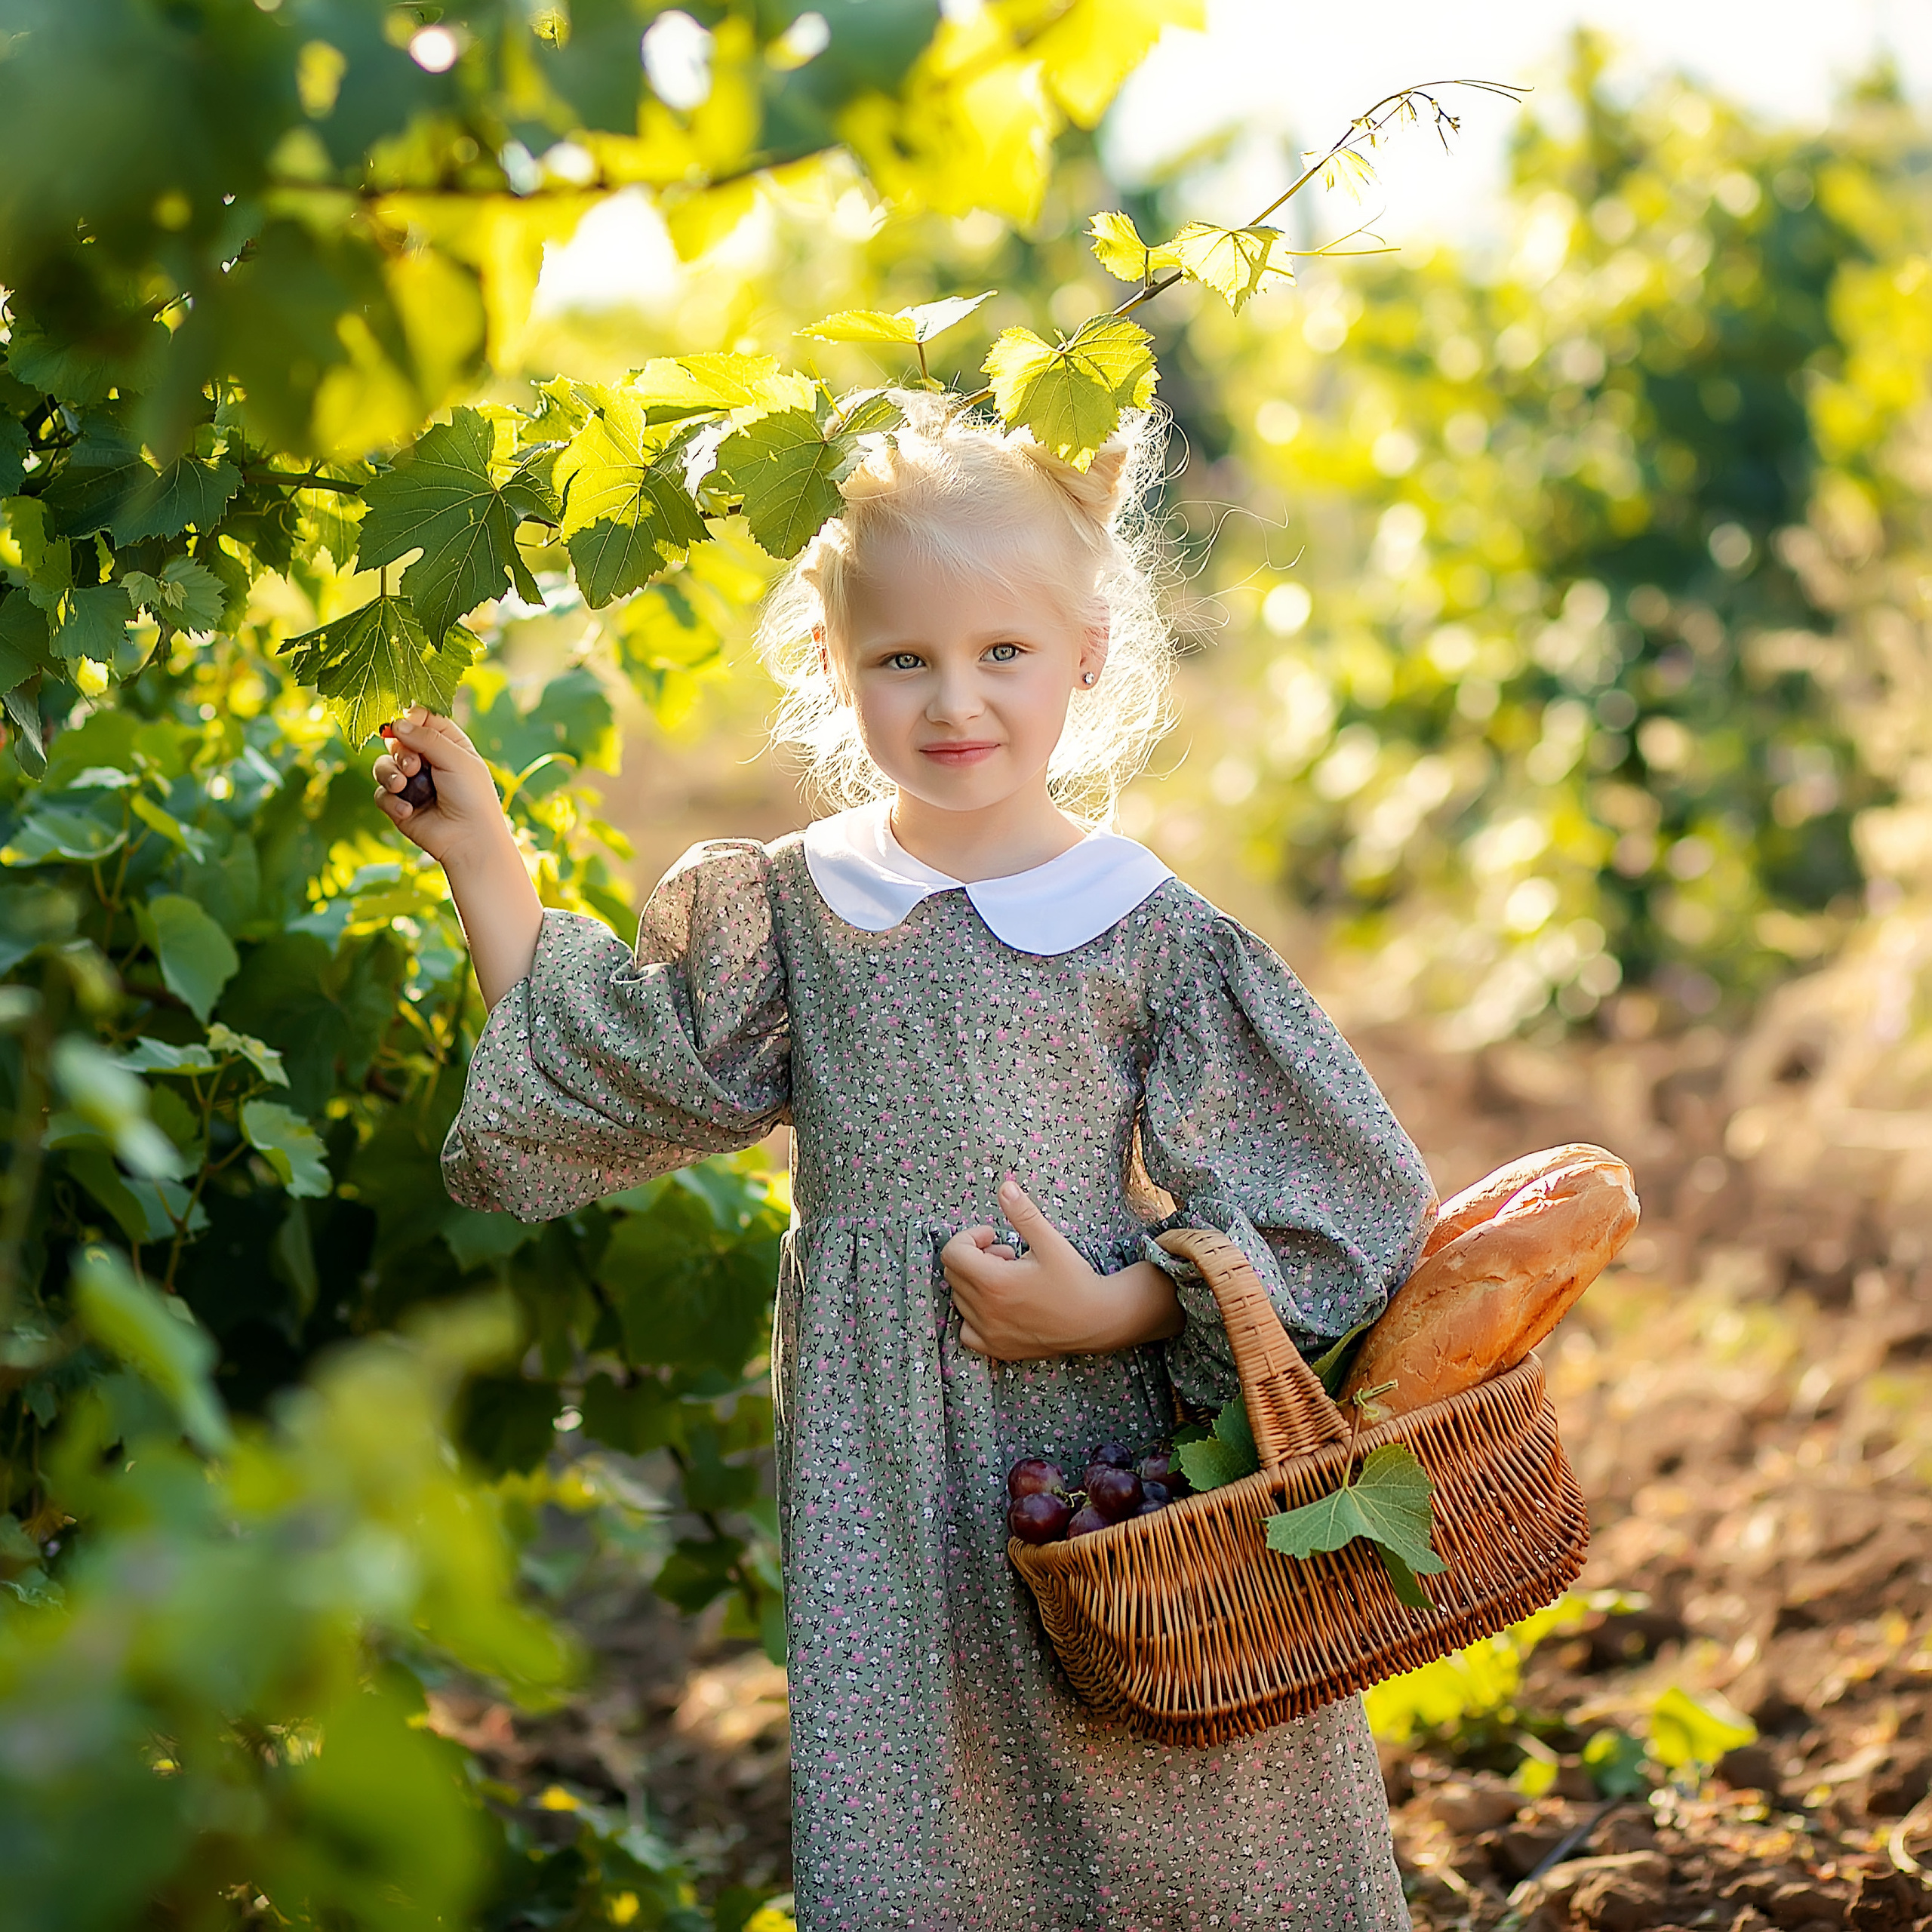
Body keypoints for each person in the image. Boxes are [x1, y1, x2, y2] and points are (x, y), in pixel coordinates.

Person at [374, 395, 1437, 1931]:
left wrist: (1121, 1310)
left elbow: (1334, 1208)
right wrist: (482, 856)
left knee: (1176, 1790)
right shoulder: (802, 908)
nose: (954, 699)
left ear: (1083, 652)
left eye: (1001, 652)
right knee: (916, 1811)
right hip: (882, 1444)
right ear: (833, 662)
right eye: (902, 658)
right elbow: (622, 1059)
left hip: (1104, 1454)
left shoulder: (1143, 925)